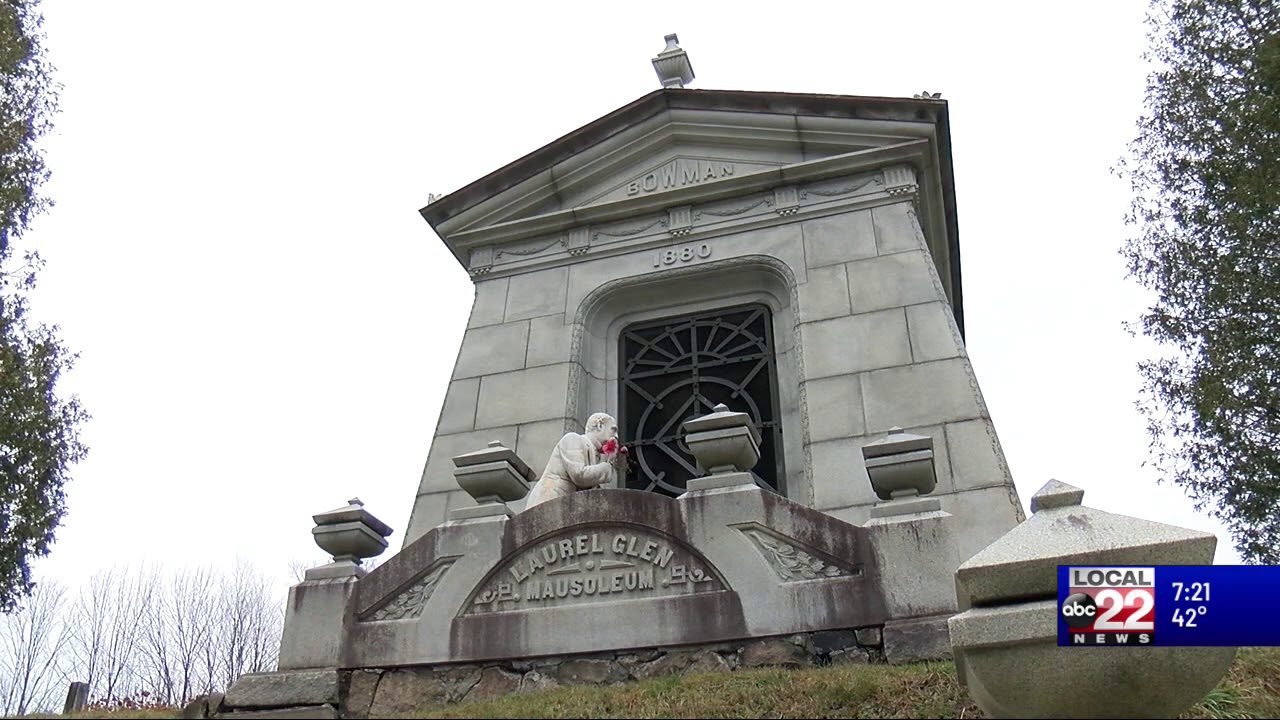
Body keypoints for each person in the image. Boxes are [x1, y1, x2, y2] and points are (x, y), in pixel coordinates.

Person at [524, 413, 623, 510]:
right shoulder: (573, 439)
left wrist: (612, 462)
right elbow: (579, 475)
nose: (616, 436)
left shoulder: (595, 454)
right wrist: (607, 467)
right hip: (548, 502)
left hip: (563, 508)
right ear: (600, 426)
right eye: (613, 430)